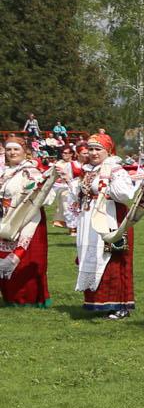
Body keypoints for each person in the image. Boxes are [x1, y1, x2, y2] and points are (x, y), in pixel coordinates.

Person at [68, 132, 141, 319]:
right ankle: (96, 302)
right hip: (89, 219)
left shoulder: (115, 170)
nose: (93, 153)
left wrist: (107, 184)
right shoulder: (87, 170)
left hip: (111, 218)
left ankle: (119, 304)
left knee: (113, 257)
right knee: (91, 255)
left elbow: (126, 195)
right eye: (90, 149)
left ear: (108, 150)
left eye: (97, 149)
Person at [0, 132, 56, 308]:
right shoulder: (5, 172)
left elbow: (47, 196)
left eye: (16, 149)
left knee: (26, 260)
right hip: (7, 219)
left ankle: (28, 300)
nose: (12, 152)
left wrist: (35, 189)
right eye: (8, 149)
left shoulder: (30, 171)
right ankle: (11, 298)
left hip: (27, 220)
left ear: (24, 151)